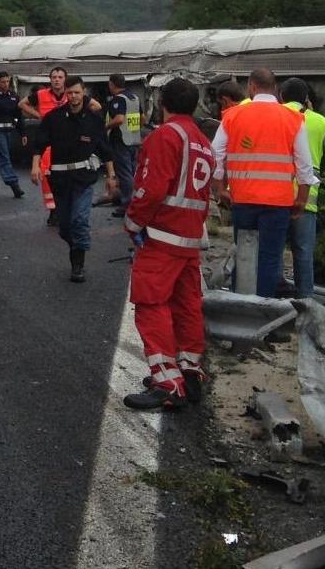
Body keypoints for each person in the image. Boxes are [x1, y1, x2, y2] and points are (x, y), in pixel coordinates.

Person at [121, 77, 214, 411]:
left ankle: (166, 382)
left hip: (162, 236)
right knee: (187, 304)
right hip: (190, 239)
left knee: (151, 303)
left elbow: (152, 188)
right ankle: (189, 371)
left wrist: (133, 222)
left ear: (163, 104)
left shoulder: (165, 136)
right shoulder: (203, 141)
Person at [211, 68, 316, 299]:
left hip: (243, 200)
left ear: (251, 87)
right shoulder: (293, 118)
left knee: (244, 253)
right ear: (276, 89)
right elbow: (304, 164)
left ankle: (238, 308)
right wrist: (302, 198)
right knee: (270, 258)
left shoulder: (233, 115)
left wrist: (220, 189)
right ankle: (263, 315)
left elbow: (216, 153)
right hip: (278, 203)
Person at [30, 75, 115, 282]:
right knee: (65, 227)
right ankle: (76, 245)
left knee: (79, 220)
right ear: (65, 95)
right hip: (60, 179)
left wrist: (111, 175)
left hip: (84, 179)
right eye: (70, 93)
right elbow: (39, 143)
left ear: (84, 92)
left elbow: (105, 149)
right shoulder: (54, 118)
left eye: (77, 92)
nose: (74, 97)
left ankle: (78, 265)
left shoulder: (94, 120)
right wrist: (35, 166)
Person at [21, 65, 102, 226]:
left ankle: (67, 208)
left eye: (60, 77)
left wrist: (82, 118)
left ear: (65, 79)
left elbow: (97, 106)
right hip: (48, 140)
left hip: (68, 140)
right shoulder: (41, 94)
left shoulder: (72, 94)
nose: (57, 80)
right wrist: (39, 116)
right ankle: (54, 210)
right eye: (54, 77)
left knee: (70, 174)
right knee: (48, 176)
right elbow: (22, 104)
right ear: (50, 80)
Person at [279, 77, 325, 300]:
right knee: (303, 253)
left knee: (273, 250)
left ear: (281, 97)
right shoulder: (320, 122)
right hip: (307, 199)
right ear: (307, 99)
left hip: (278, 195)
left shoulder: (278, 115)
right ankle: (306, 301)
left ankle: (273, 297)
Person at [103, 73, 142, 217]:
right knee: (132, 172)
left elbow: (119, 119)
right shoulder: (134, 98)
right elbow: (142, 118)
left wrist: (106, 127)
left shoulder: (118, 100)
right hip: (134, 139)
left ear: (112, 84)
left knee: (125, 174)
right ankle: (134, 201)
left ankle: (127, 205)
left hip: (121, 140)